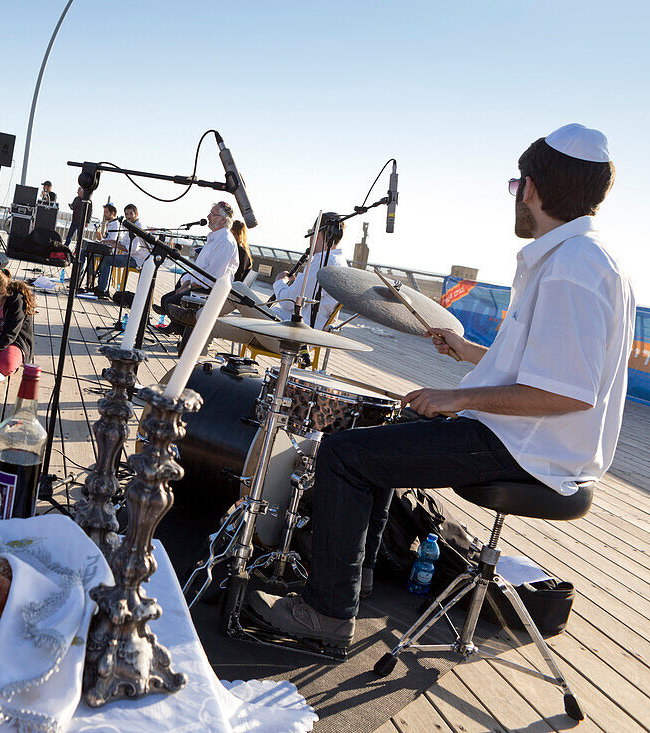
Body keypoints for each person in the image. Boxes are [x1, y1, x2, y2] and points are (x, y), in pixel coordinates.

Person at [247, 124, 636, 649]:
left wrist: (456, 398)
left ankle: (328, 613)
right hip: (528, 440)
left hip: (526, 450)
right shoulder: (586, 258)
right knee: (391, 432)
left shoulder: (571, 266)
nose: (515, 199)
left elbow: (569, 392)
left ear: (533, 188)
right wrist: (468, 350)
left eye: (515, 186)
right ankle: (347, 586)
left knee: (342, 454)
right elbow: (539, 368)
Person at [157, 201, 239, 327]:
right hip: (201, 284)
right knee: (165, 300)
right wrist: (186, 283)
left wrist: (189, 287)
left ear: (223, 220)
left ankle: (183, 327)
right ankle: (177, 326)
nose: (208, 217)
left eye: (213, 214)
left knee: (169, 302)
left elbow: (213, 276)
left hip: (211, 290)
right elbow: (199, 269)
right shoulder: (215, 238)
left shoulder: (225, 241)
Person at [270, 212, 348, 329]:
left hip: (295, 331)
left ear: (318, 232)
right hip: (311, 329)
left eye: (310, 232)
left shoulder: (324, 263)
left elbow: (288, 302)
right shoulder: (340, 262)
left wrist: (279, 282)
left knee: (239, 290)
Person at [95, 203, 149, 298]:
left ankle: (102, 290)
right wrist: (109, 242)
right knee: (103, 256)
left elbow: (133, 249)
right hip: (131, 256)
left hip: (138, 260)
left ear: (136, 214)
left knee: (107, 259)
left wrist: (116, 245)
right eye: (126, 214)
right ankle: (99, 287)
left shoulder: (138, 226)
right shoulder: (131, 225)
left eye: (130, 214)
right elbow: (123, 242)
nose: (128, 216)